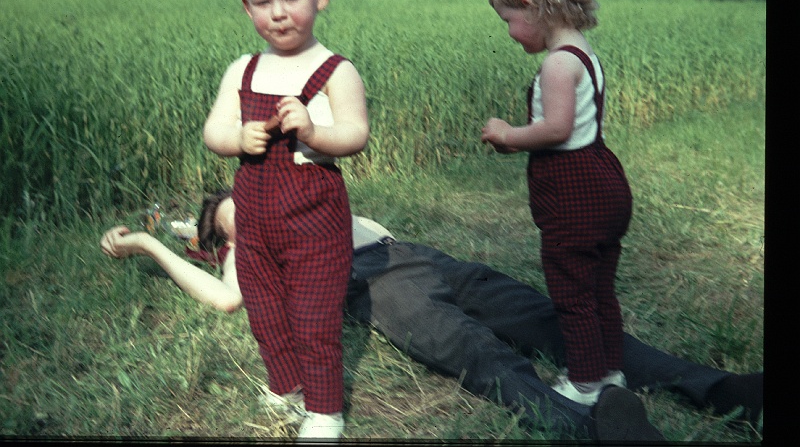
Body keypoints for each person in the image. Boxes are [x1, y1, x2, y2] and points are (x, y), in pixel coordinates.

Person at [100, 190, 763, 442]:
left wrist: (195, 217)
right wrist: (150, 242)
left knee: (554, 320)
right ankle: (593, 427)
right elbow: (223, 294)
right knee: (479, 353)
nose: (249, 208)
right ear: (231, 236)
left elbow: (207, 212)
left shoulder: (292, 191)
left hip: (418, 255)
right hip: (373, 287)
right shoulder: (254, 246)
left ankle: (721, 388)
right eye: (233, 218)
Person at [202, 0, 369, 440]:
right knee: (266, 312)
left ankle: (324, 411)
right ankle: (286, 387)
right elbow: (213, 132)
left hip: (315, 222)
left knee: (315, 319)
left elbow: (356, 134)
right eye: (263, 2)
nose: (278, 14)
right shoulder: (243, 70)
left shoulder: (336, 71)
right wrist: (237, 137)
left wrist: (315, 133)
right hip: (254, 223)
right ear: (246, 6)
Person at [480, 0, 633, 405]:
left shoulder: (556, 63)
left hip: (574, 191)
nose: (508, 32)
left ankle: (585, 383)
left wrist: (508, 133)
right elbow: (572, 131)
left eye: (508, 19)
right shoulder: (584, 54)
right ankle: (611, 371)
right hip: (602, 177)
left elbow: (556, 129)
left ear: (531, 4)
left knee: (572, 288)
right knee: (600, 285)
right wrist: (519, 141)